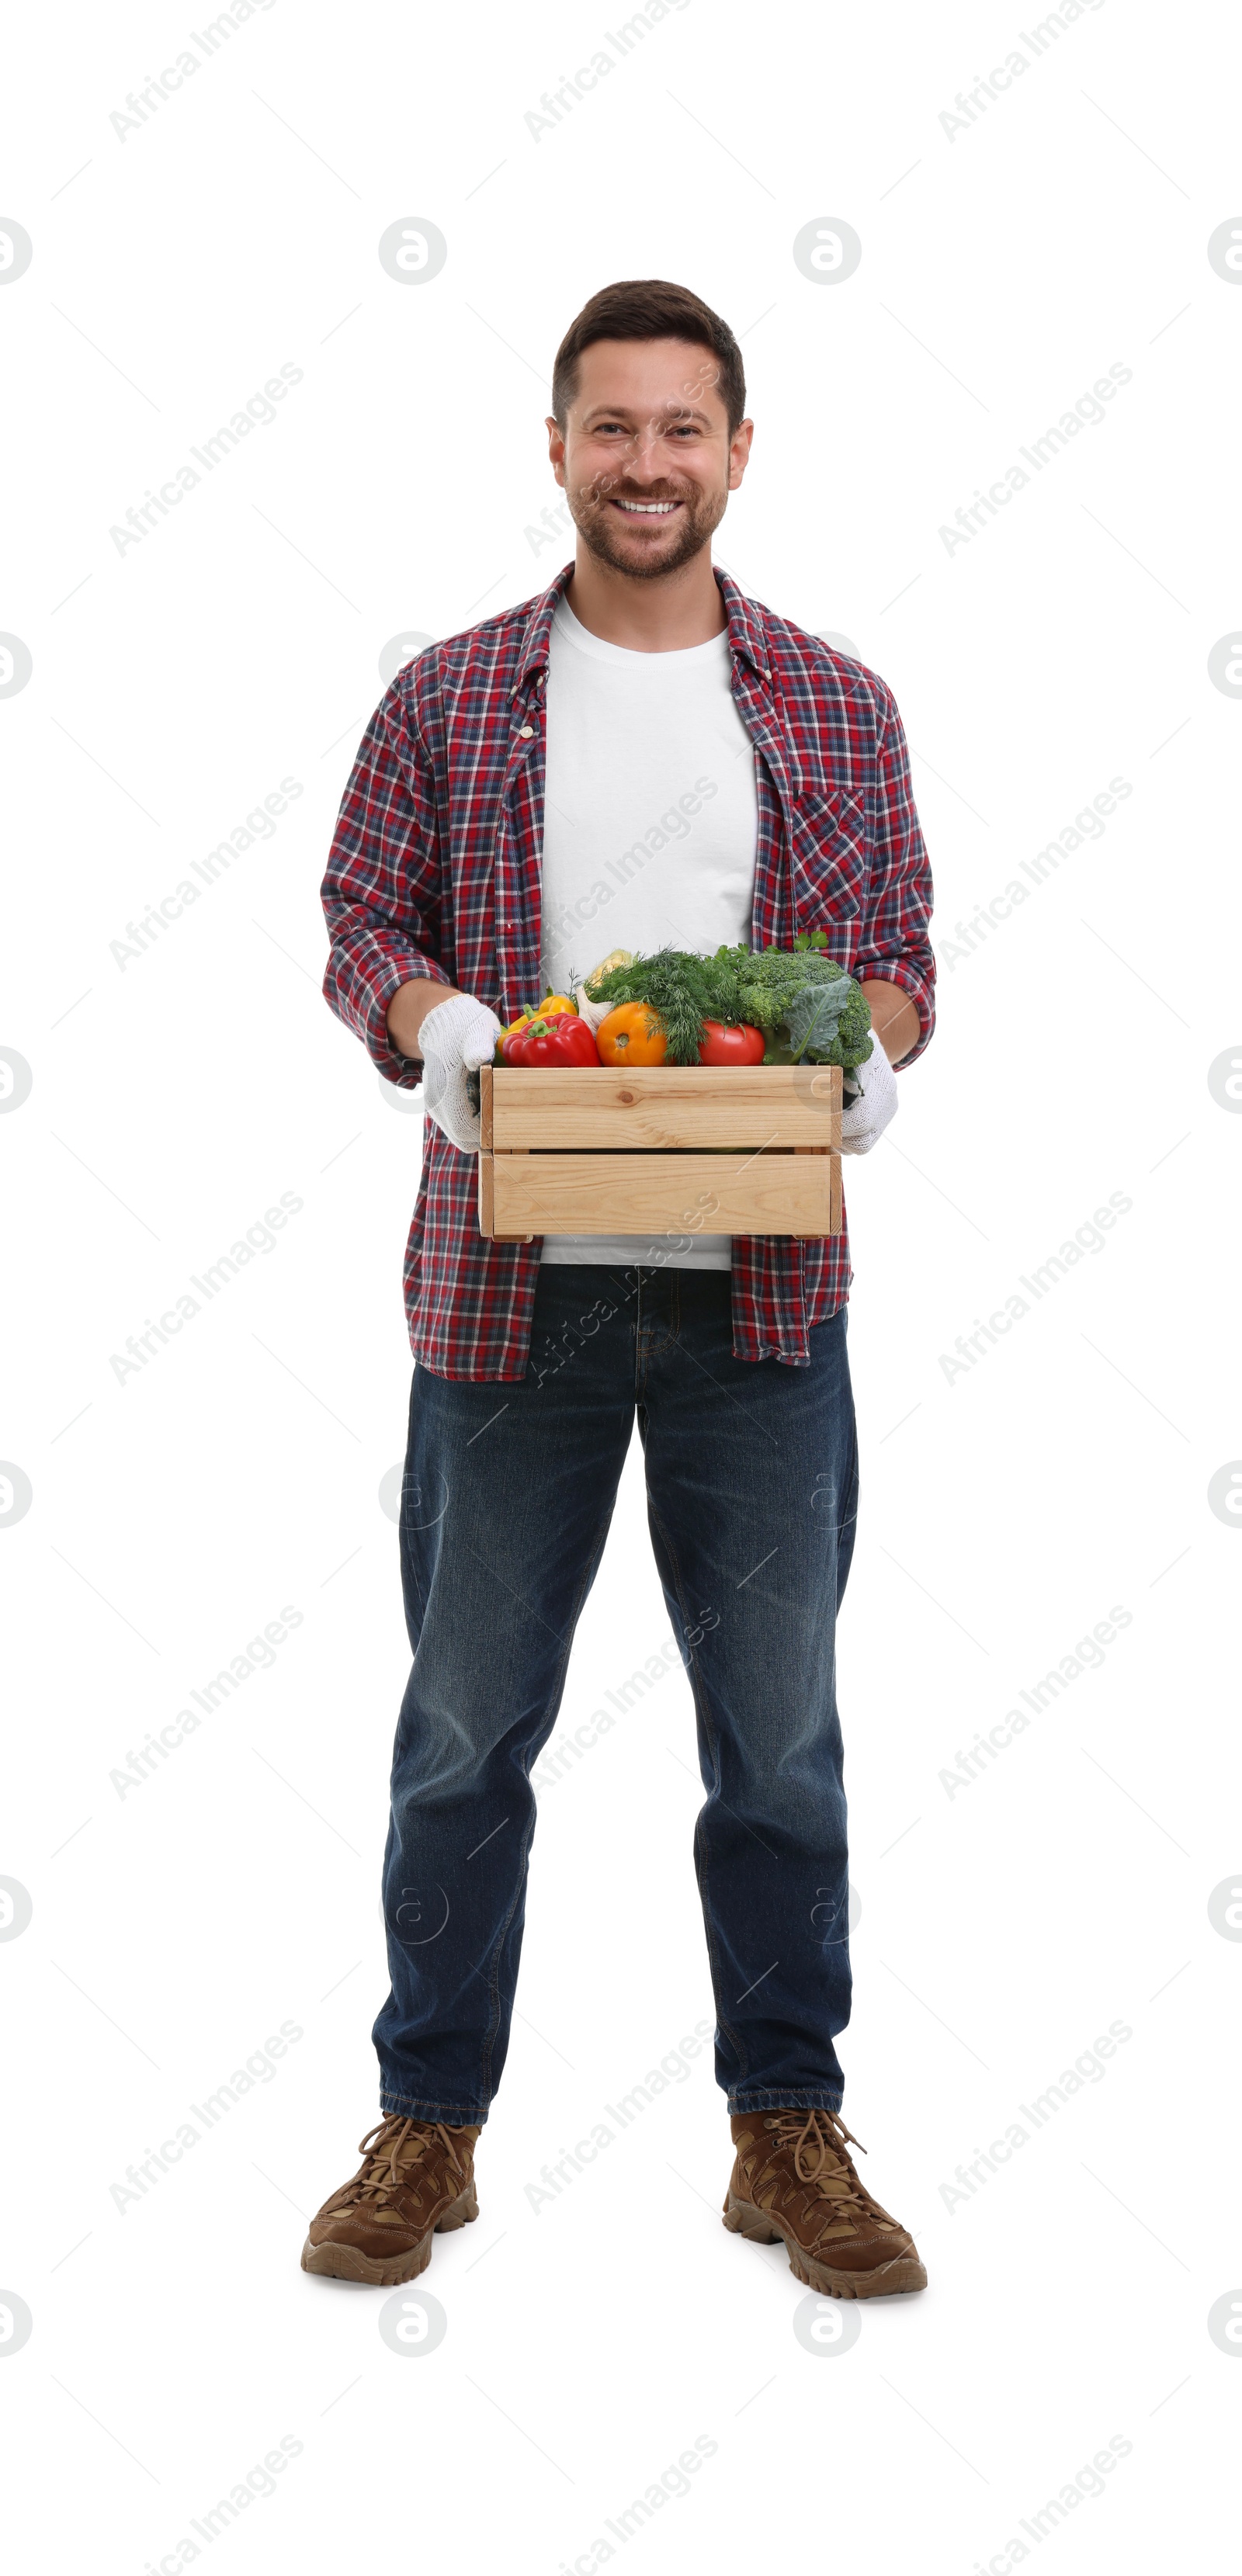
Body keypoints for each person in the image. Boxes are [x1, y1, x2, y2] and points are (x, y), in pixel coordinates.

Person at [304, 278, 935, 2302]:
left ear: (739, 452)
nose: (647, 463)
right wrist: (436, 1023)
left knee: (781, 1739)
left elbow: (906, 947)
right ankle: (428, 2123)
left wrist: (874, 1055)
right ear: (559, 446)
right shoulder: (453, 695)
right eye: (613, 427)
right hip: (511, 1312)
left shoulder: (836, 700)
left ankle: (786, 2126)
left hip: (764, 1313)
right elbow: (357, 920)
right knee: (467, 1729)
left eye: (685, 428)